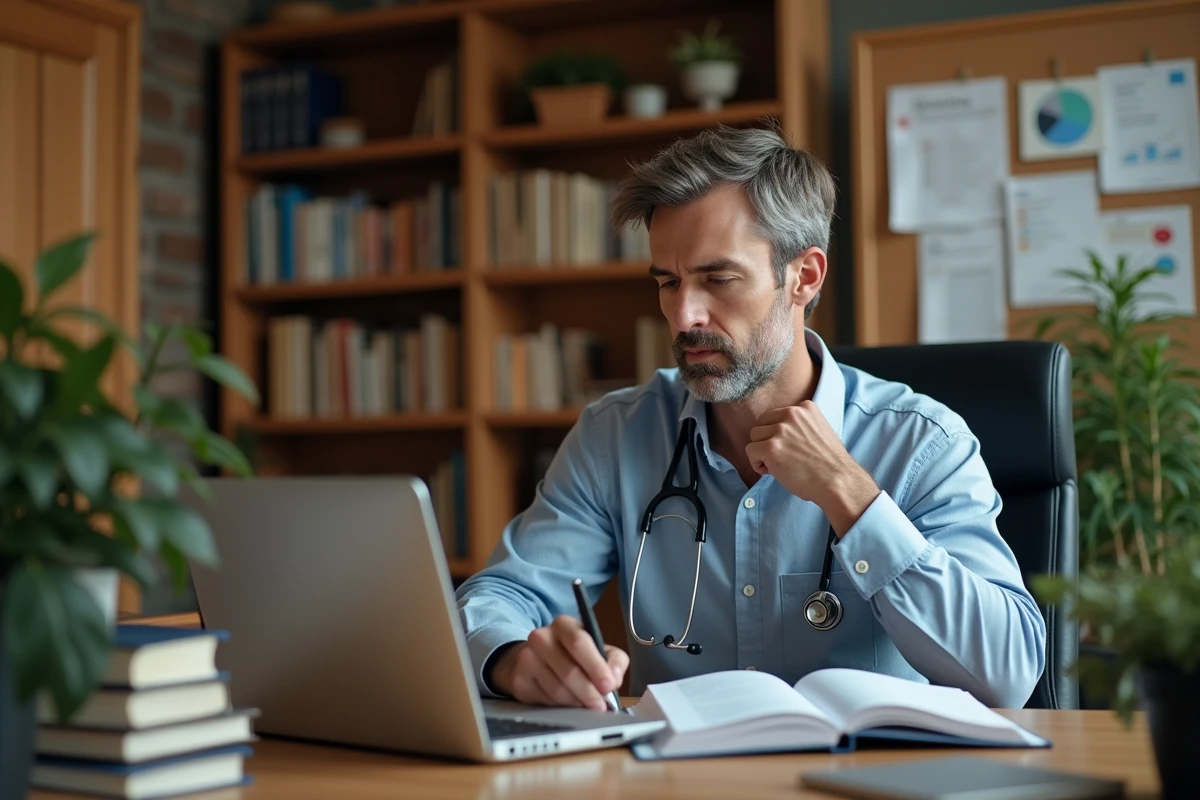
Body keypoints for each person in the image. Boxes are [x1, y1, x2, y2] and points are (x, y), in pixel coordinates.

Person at [454, 124, 1045, 712]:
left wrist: (849, 494)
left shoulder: (921, 443)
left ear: (803, 277)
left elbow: (1008, 672)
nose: (684, 316)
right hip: (680, 763)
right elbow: (500, 596)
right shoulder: (616, 435)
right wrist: (512, 659)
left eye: (719, 279)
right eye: (669, 282)